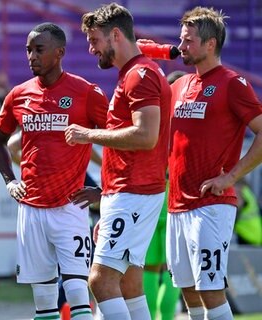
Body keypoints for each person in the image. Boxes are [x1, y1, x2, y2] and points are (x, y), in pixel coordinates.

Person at [0, 22, 108, 320]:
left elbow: (119, 141)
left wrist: (103, 190)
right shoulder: (18, 95)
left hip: (71, 208)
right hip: (31, 209)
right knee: (43, 299)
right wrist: (9, 181)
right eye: (28, 50)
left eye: (39, 50)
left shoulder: (86, 93)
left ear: (59, 53)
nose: (31, 56)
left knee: (79, 294)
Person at [67, 3, 172, 319]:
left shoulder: (140, 75)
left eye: (94, 39)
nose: (90, 48)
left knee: (100, 280)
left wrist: (89, 135)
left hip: (134, 192)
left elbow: (145, 136)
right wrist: (106, 194)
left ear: (115, 35)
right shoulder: (135, 73)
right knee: (129, 284)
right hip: (128, 192)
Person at [167, 7, 262, 319]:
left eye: (188, 41)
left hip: (212, 203)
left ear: (210, 44)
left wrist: (230, 177)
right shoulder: (179, 86)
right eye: (181, 40)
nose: (181, 47)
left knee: (210, 289)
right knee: (189, 290)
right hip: (177, 205)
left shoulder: (233, 83)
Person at [142, 70, 186, 320]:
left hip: (152, 201)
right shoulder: (187, 123)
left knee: (149, 269)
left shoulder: (151, 121)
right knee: (172, 271)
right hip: (176, 204)